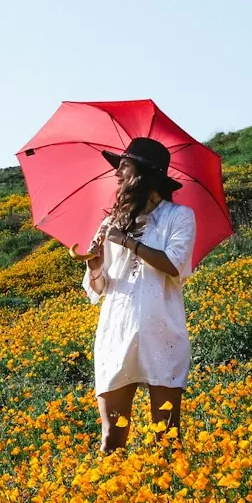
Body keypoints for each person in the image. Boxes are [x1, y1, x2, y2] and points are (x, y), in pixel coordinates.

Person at [69, 137, 197, 453]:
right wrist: (96, 264)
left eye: (123, 167)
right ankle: (111, 501)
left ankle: (173, 499)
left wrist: (126, 241)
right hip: (116, 331)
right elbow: (97, 289)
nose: (117, 176)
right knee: (112, 437)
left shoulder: (179, 216)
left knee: (166, 435)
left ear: (142, 174)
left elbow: (173, 264)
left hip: (161, 332)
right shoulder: (110, 222)